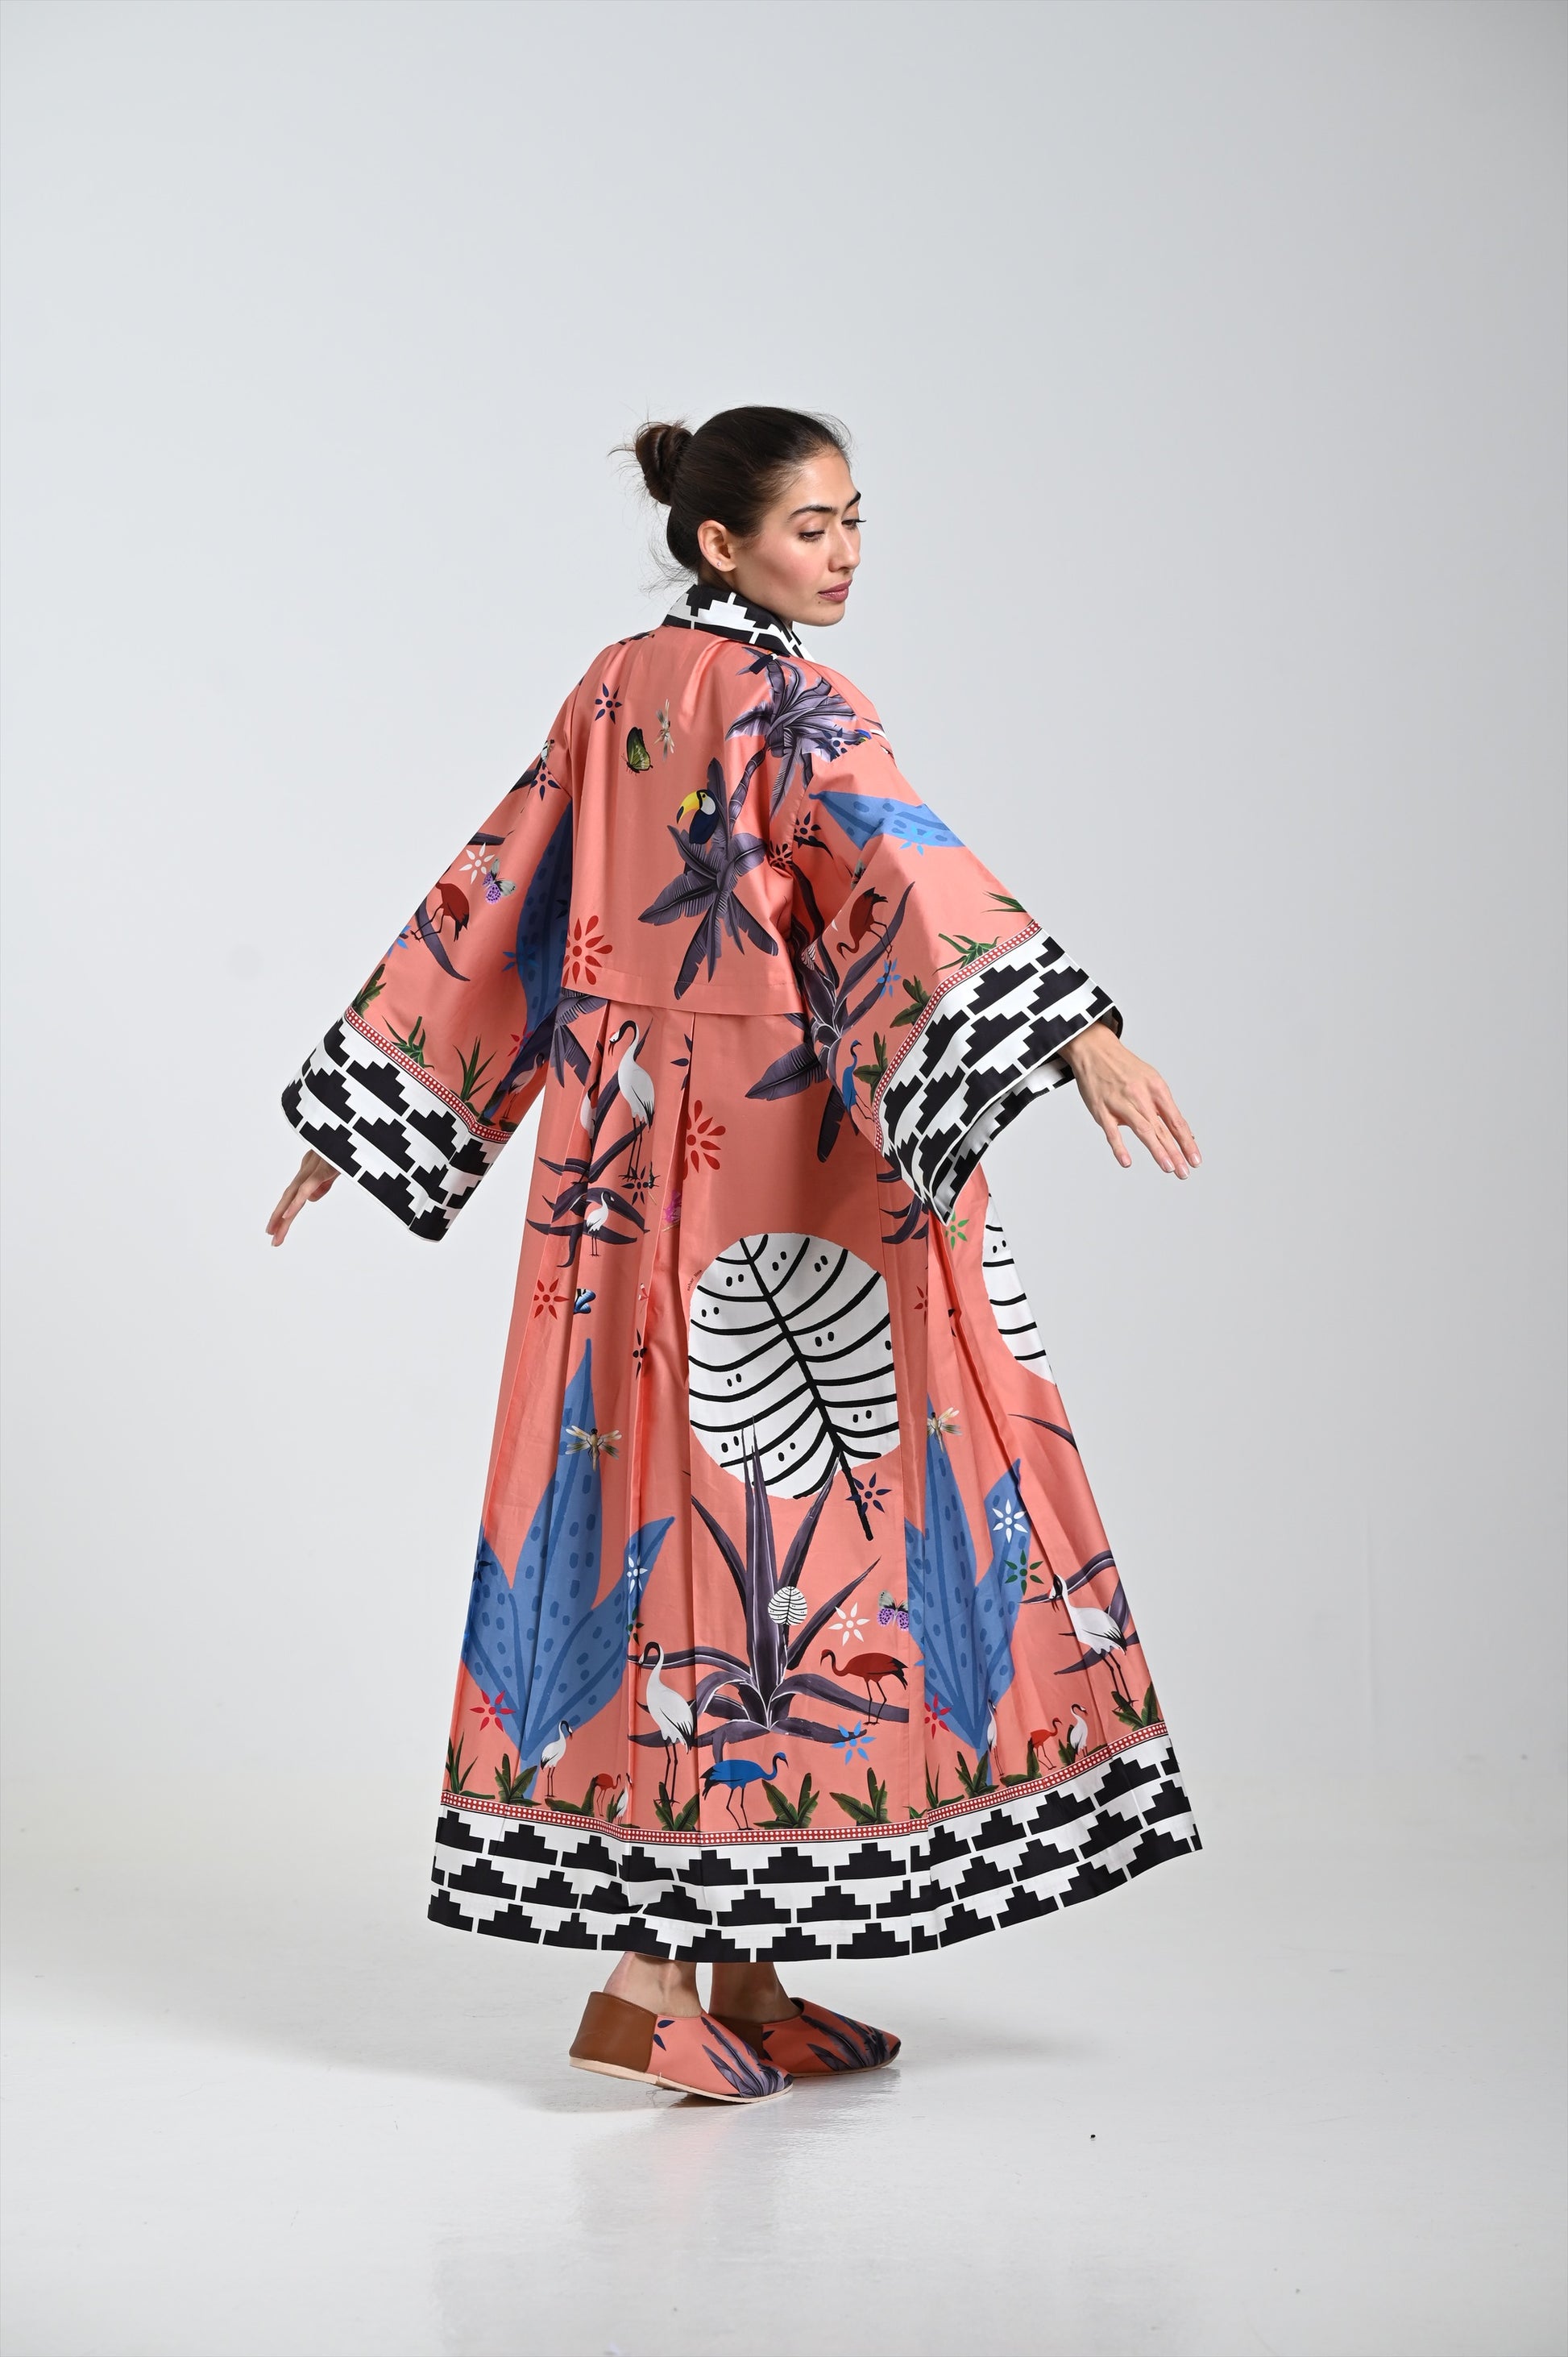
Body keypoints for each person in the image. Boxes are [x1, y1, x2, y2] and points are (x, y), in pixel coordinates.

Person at [268, 407, 1201, 2106]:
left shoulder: (614, 684)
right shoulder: (790, 699)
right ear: (721, 542)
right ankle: (642, 1986)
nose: (842, 555)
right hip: (771, 1153)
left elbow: (496, 899)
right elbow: (904, 873)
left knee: (673, 1506)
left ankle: (748, 1971)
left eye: (854, 522)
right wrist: (1076, 1039)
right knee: (763, 1524)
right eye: (809, 527)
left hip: (626, 1155)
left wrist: (375, 1104)